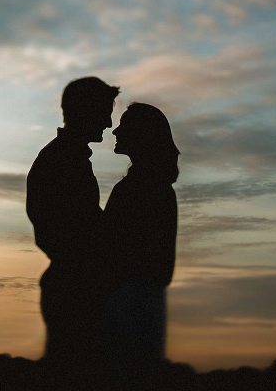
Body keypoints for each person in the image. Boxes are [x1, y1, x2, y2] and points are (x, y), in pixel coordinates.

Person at [26, 76, 120, 383]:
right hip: (75, 293)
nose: (108, 123)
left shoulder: (68, 158)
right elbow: (59, 233)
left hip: (75, 288)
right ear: (85, 111)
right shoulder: (61, 160)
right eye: (105, 111)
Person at [103, 102, 180, 384]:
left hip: (132, 307)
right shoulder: (152, 187)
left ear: (141, 135)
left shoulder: (143, 189)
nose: (116, 130)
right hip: (138, 303)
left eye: (124, 125)